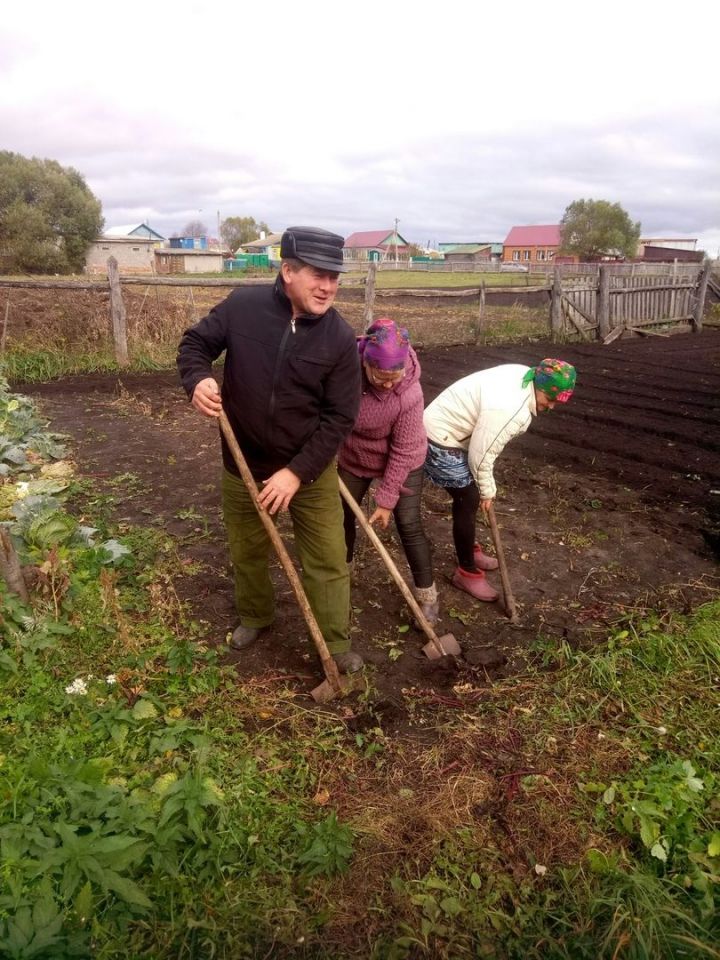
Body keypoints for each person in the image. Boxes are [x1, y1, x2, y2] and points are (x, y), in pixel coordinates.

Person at [176, 226, 364, 673]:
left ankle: (334, 645)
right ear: (288, 271)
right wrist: (197, 379)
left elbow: (340, 417)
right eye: (318, 275)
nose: (328, 287)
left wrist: (296, 472)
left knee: (327, 560)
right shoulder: (244, 308)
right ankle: (256, 616)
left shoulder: (339, 339)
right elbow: (195, 344)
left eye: (334, 277)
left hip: (310, 471)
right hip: (243, 463)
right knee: (247, 549)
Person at [423, 359, 577, 601]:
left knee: (468, 497)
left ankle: (469, 551)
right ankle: (467, 572)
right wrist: (487, 489)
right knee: (469, 496)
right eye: (551, 399)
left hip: (451, 431)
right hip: (437, 437)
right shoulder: (510, 409)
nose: (553, 406)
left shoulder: (524, 374)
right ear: (539, 385)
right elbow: (481, 455)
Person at [337, 318, 439, 623]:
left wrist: (386, 499)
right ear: (366, 364)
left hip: (404, 459)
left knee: (408, 523)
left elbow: (403, 450)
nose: (387, 384)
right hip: (356, 455)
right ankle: (341, 577)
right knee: (340, 514)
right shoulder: (344, 374)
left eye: (394, 377)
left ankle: (427, 597)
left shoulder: (410, 393)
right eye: (380, 377)